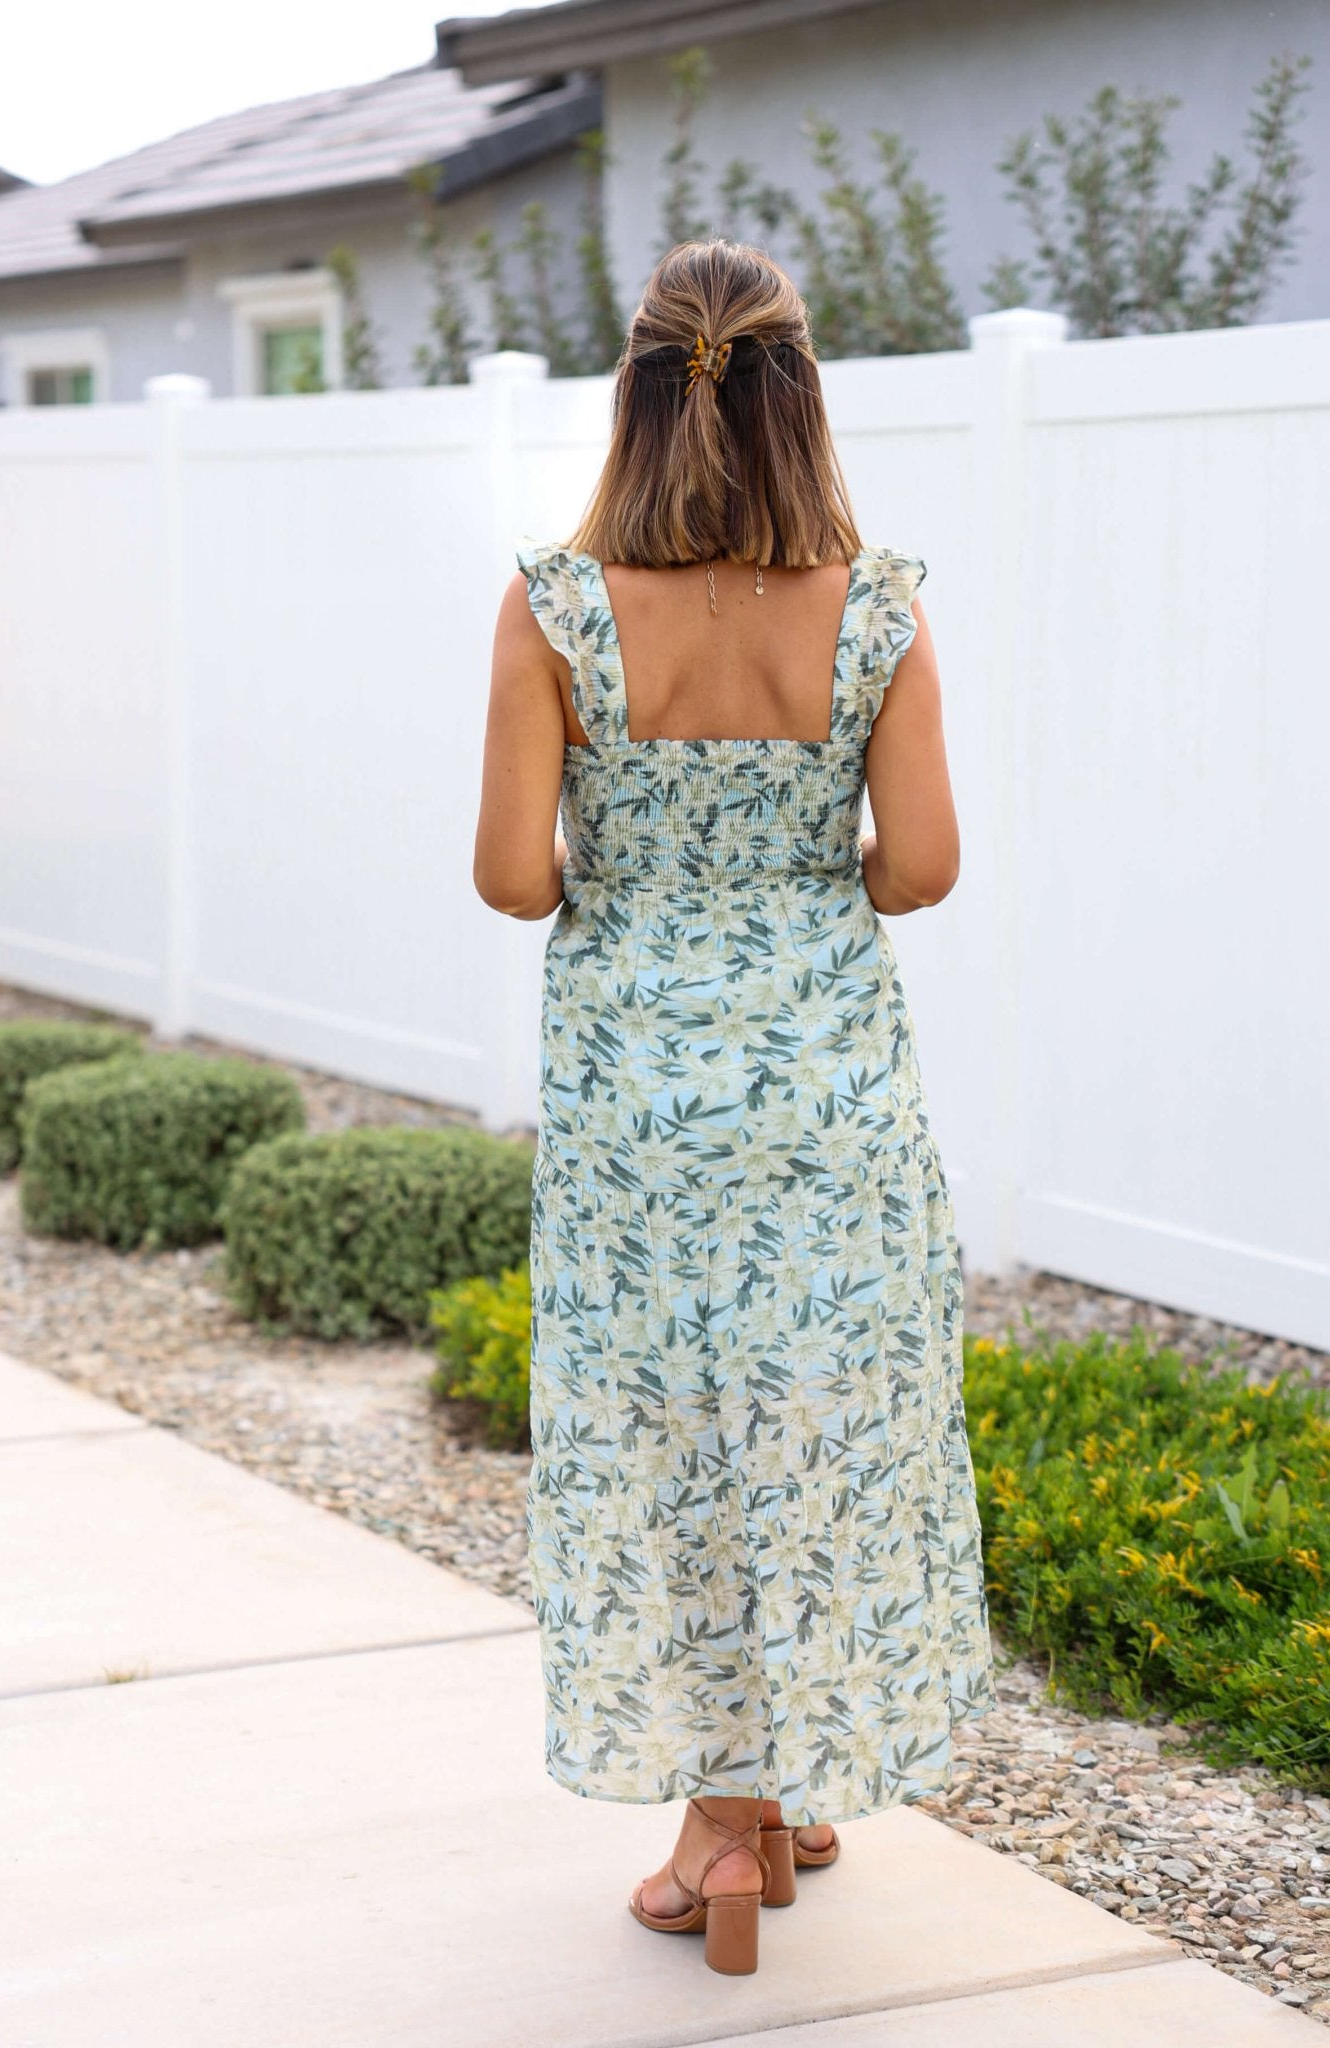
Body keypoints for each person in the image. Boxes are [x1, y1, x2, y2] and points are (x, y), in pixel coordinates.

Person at [473, 237, 995, 1978]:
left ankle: (716, 1821)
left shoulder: (554, 602)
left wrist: (640, 869)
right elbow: (917, 866)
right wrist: (793, 876)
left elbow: (507, 878)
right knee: (811, 1419)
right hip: (824, 1088)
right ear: (801, 390)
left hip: (634, 1101)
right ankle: (775, 1793)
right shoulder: (876, 598)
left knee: (665, 1426)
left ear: (633, 388)